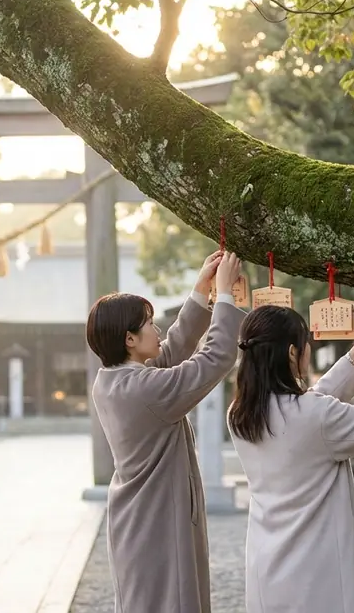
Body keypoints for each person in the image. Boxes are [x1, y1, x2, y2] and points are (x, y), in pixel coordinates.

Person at [228, 306, 354, 613]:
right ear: (292, 353)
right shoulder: (313, 416)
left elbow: (309, 409)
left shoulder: (239, 415)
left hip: (268, 564)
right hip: (319, 573)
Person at [86, 250, 244, 613]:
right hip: (155, 521)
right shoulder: (144, 389)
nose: (156, 330)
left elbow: (171, 352)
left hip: (141, 516)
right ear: (129, 339)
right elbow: (215, 359)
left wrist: (200, 292)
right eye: (148, 324)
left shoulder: (112, 381)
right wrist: (224, 296)